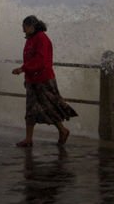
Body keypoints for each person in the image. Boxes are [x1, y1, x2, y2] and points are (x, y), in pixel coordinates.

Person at [12, 15, 77, 147]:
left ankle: (63, 130)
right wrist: (26, 76)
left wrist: (22, 69)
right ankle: (28, 139)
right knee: (31, 109)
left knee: (50, 107)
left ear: (32, 26)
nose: (23, 30)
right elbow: (30, 59)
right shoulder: (30, 39)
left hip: (44, 80)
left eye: (24, 27)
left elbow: (41, 61)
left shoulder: (41, 38)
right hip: (32, 80)